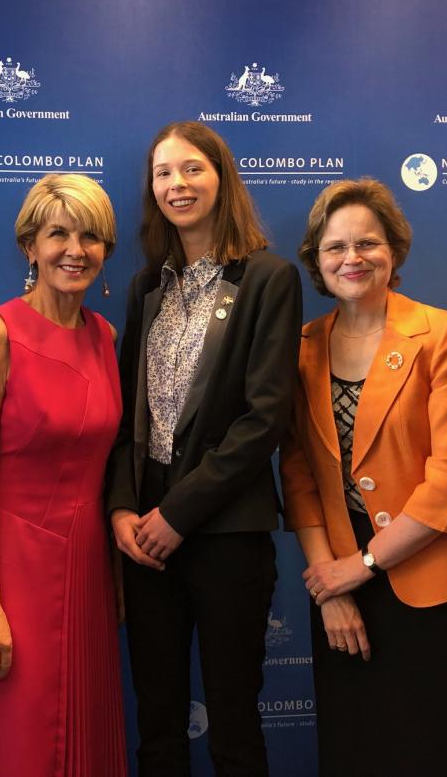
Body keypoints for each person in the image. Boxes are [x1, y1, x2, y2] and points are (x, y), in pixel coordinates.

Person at [279, 178, 447, 775]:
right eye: (335, 247)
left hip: (433, 583)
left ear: (394, 251)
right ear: (316, 261)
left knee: (439, 751)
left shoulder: (446, 335)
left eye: (367, 244)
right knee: (356, 749)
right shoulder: (301, 348)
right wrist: (333, 585)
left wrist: (365, 565)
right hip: (342, 586)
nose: (352, 258)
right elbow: (298, 473)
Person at [107, 121, 301, 776]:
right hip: (143, 536)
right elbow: (124, 415)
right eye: (163, 172)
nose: (177, 184)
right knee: (157, 720)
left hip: (225, 530)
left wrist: (176, 514)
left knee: (233, 723)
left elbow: (265, 416)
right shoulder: (145, 288)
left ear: (221, 177)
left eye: (192, 168)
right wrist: (124, 511)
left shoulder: (269, 278)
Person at [0, 173, 126, 777]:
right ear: (30, 246)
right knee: (18, 742)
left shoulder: (105, 335)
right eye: (58, 234)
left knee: (84, 735)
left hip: (89, 568)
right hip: (11, 567)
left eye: (91, 237)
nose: (76, 250)